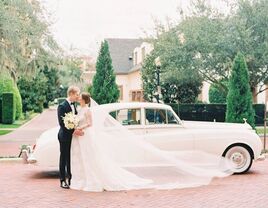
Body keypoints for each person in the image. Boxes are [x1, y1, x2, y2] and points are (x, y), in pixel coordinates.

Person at [70, 93, 233, 192]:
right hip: (88, 134)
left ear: (83, 100)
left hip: (87, 133)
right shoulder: (83, 109)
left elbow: (89, 122)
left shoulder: (87, 110)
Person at [57, 86, 81, 189]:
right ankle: (62, 180)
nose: (78, 96)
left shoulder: (74, 105)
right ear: (71, 94)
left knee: (71, 158)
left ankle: (71, 179)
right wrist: (74, 130)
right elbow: (62, 123)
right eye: (77, 94)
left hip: (73, 137)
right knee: (64, 158)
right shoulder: (62, 106)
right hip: (64, 136)